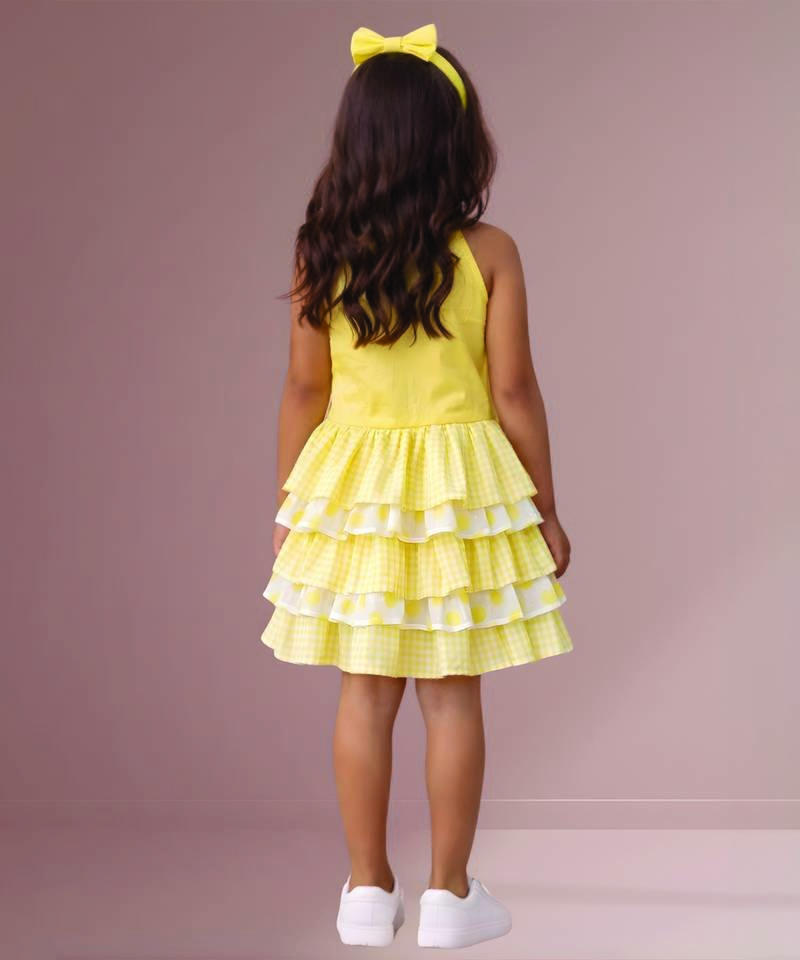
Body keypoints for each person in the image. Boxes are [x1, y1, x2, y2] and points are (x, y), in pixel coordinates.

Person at [261, 22, 574, 949]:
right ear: (456, 141)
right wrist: (545, 508)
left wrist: (291, 506)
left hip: (354, 486)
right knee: (451, 693)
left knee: (364, 692)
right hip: (457, 490)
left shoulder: (321, 251)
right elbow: (513, 390)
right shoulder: (490, 252)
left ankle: (366, 892)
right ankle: (449, 895)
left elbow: (305, 390)